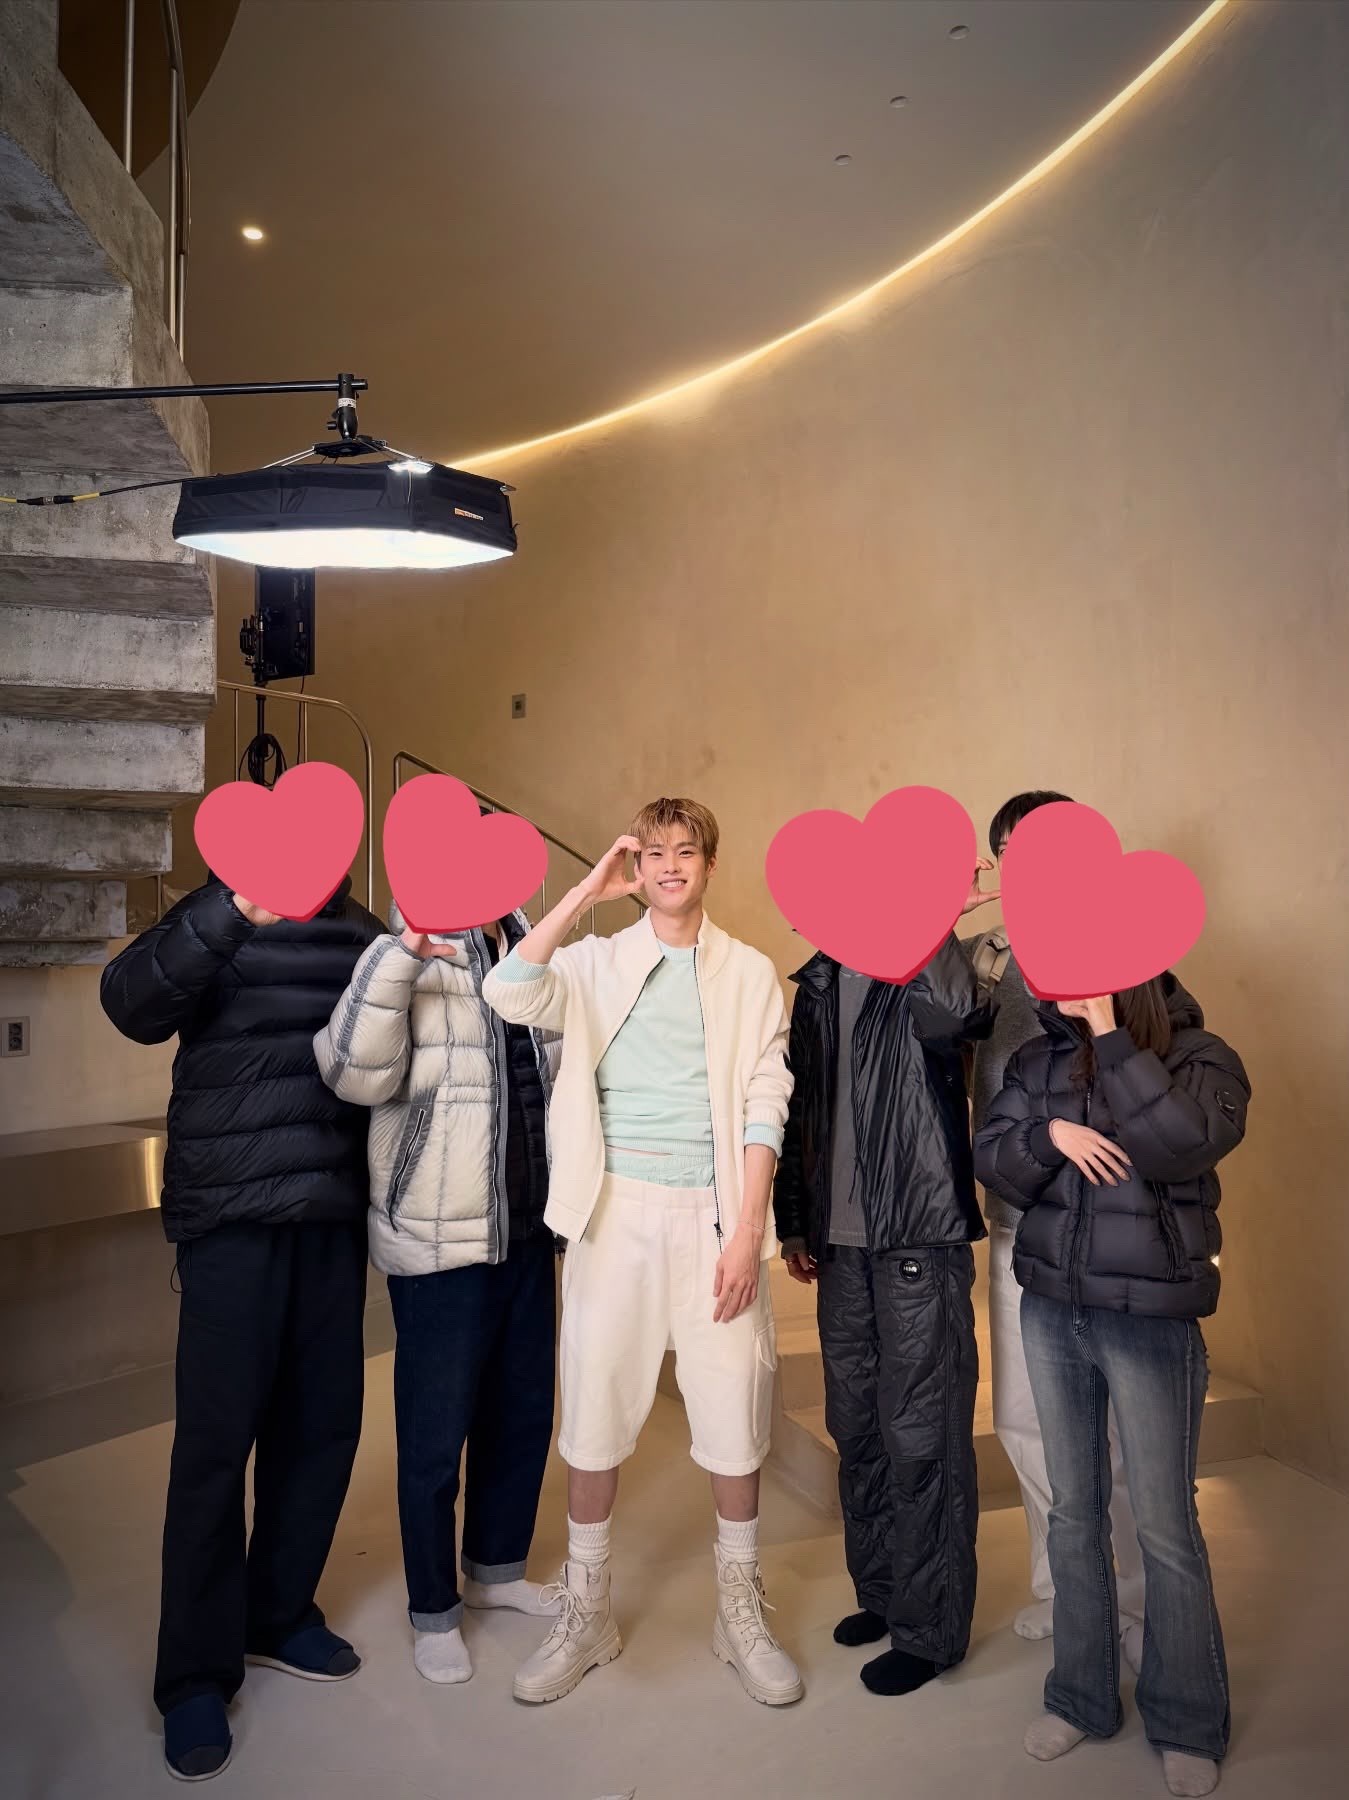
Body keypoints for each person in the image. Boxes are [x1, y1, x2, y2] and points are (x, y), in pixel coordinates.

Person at [481, 797, 802, 1707]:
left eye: (684, 851)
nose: (668, 866)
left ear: (708, 864)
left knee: (733, 1411)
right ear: (634, 867)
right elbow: (507, 991)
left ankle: (738, 1611)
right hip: (613, 1213)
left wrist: (747, 1230)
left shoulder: (748, 971)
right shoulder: (594, 962)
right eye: (651, 853)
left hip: (714, 1216)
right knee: (594, 1406)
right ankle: (588, 1612)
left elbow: (765, 1102)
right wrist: (586, 893)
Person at [100, 870, 382, 1784]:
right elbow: (131, 1004)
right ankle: (193, 1675)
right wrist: (233, 912)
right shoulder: (214, 909)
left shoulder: (361, 928)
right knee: (215, 1449)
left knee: (322, 1430)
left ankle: (279, 1614)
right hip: (229, 1221)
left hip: (331, 1215)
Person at [975, 973, 1249, 1799]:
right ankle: (1080, 1696)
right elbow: (995, 1163)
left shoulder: (1201, 1056)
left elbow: (1179, 1148)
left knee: (1165, 1525)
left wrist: (1112, 1040)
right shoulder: (1034, 1062)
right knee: (1072, 1513)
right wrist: (1048, 1134)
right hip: (1051, 1310)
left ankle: (1186, 1720)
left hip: (1151, 1319)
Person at [313, 902, 561, 1687]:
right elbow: (351, 1073)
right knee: (432, 1436)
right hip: (437, 1238)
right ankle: (433, 1609)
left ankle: (495, 1569)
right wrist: (401, 955)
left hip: (528, 1230)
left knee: (521, 1416)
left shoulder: (534, 946)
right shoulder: (405, 950)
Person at [772, 868, 993, 1697]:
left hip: (917, 1238)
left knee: (922, 1434)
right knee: (857, 1425)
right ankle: (884, 1593)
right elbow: (799, 1108)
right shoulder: (817, 983)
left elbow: (959, 1017)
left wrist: (932, 923)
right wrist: (796, 1222)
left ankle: (931, 1631)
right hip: (840, 1252)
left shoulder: (922, 969)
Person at [963, 789, 1148, 1669]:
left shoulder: (1125, 938)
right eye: (1009, 848)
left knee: (1114, 1432)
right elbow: (925, 1021)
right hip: (1015, 1219)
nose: (1024, 861)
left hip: (1108, 1221)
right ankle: (1068, 1590)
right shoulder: (984, 959)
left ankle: (1135, 1601)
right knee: (1025, 1421)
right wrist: (939, 926)